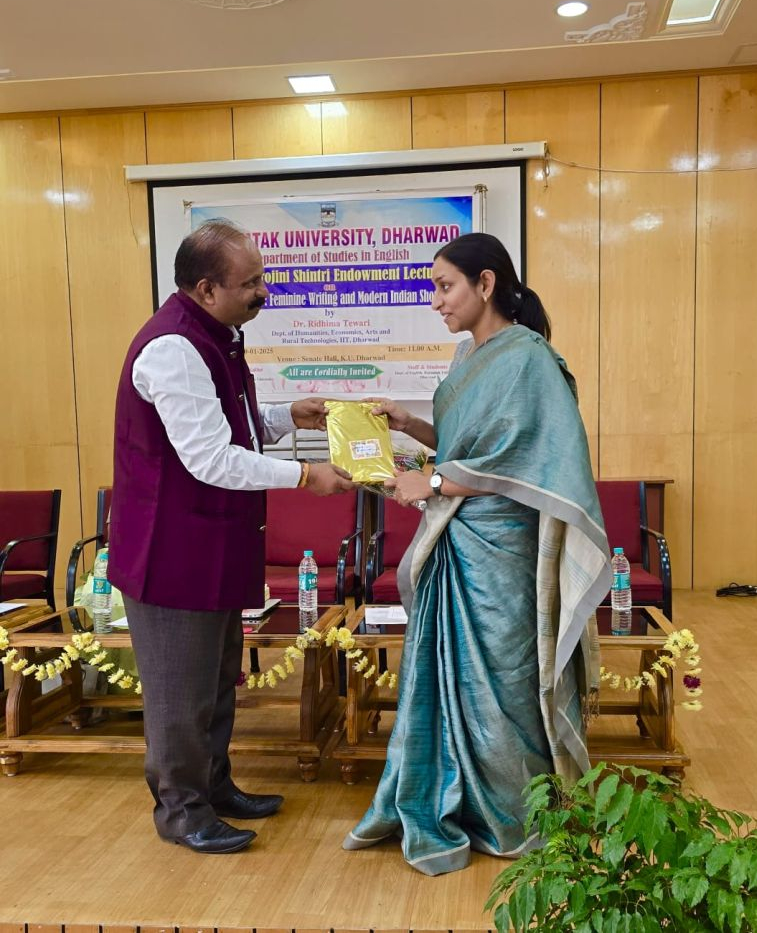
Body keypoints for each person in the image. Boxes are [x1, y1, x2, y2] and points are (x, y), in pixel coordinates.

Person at [343, 232, 610, 875]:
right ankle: (456, 798)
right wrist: (410, 426)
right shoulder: (469, 356)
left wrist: (433, 483)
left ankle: (517, 812)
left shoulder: (529, 358)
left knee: (505, 684)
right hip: (458, 537)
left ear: (485, 283)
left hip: (503, 548)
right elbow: (469, 443)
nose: (436, 301)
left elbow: (524, 458)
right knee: (452, 677)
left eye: (445, 286)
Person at [108, 219, 353, 855]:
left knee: (216, 685)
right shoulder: (173, 348)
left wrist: (284, 416)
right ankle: (181, 811)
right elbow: (210, 458)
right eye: (250, 283)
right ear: (206, 288)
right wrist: (306, 475)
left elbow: (231, 424)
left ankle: (214, 788)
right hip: (171, 557)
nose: (262, 291)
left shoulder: (218, 336)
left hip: (210, 549)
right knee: (179, 695)